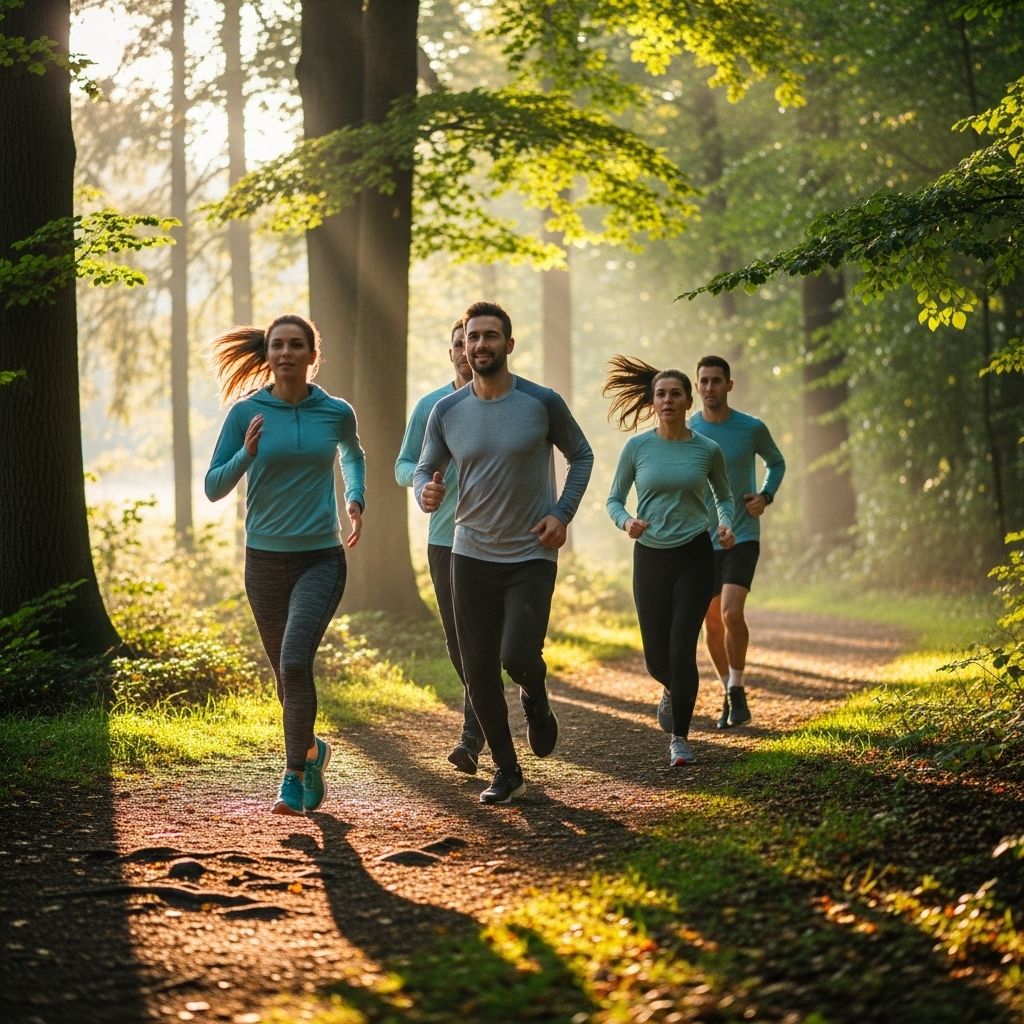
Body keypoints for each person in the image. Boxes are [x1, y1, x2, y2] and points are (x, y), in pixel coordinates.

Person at [413, 301, 594, 805]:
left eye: (491, 337)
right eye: (473, 337)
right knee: (476, 668)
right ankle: (506, 768)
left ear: (509, 345)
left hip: (530, 553)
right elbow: (425, 467)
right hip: (469, 552)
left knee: (516, 655)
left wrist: (562, 513)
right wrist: (424, 491)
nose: (481, 345)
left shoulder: (541, 402)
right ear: (464, 346)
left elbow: (581, 455)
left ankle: (535, 696)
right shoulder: (445, 411)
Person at [204, 314, 365, 817]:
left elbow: (352, 454)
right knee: (284, 674)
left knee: (295, 661)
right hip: (264, 561)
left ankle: (293, 776)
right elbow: (213, 486)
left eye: (297, 345)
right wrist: (246, 455)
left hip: (320, 557)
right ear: (267, 354)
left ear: (313, 355)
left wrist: (356, 497)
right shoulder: (245, 413)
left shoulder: (335, 411)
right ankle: (314, 751)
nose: (287, 353)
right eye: (278, 345)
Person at [604, 356, 735, 767]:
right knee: (657, 658)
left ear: (688, 399)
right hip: (650, 558)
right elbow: (612, 500)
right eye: (660, 394)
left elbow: (724, 497)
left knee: (682, 648)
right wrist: (627, 522)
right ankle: (671, 690)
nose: (667, 400)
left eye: (675, 394)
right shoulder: (637, 447)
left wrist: (727, 523)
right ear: (653, 400)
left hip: (695, 555)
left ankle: (679, 737)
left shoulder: (707, 449)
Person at [395, 318, 485, 774]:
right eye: (457, 344)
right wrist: (420, 486)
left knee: (484, 640)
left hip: (495, 539)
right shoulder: (431, 405)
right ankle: (483, 714)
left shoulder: (507, 404)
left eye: (471, 342)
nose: (465, 351)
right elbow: (404, 462)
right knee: (456, 639)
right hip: (443, 539)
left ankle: (473, 733)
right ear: (451, 352)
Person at [690, 354, 786, 729]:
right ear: (696, 387)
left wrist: (766, 495)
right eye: (704, 381)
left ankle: (739, 686)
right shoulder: (688, 429)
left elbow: (777, 463)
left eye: (717, 380)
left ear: (729, 385)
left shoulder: (751, 428)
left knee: (731, 612)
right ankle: (728, 689)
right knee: (711, 623)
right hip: (700, 537)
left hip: (742, 534)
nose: (710, 387)